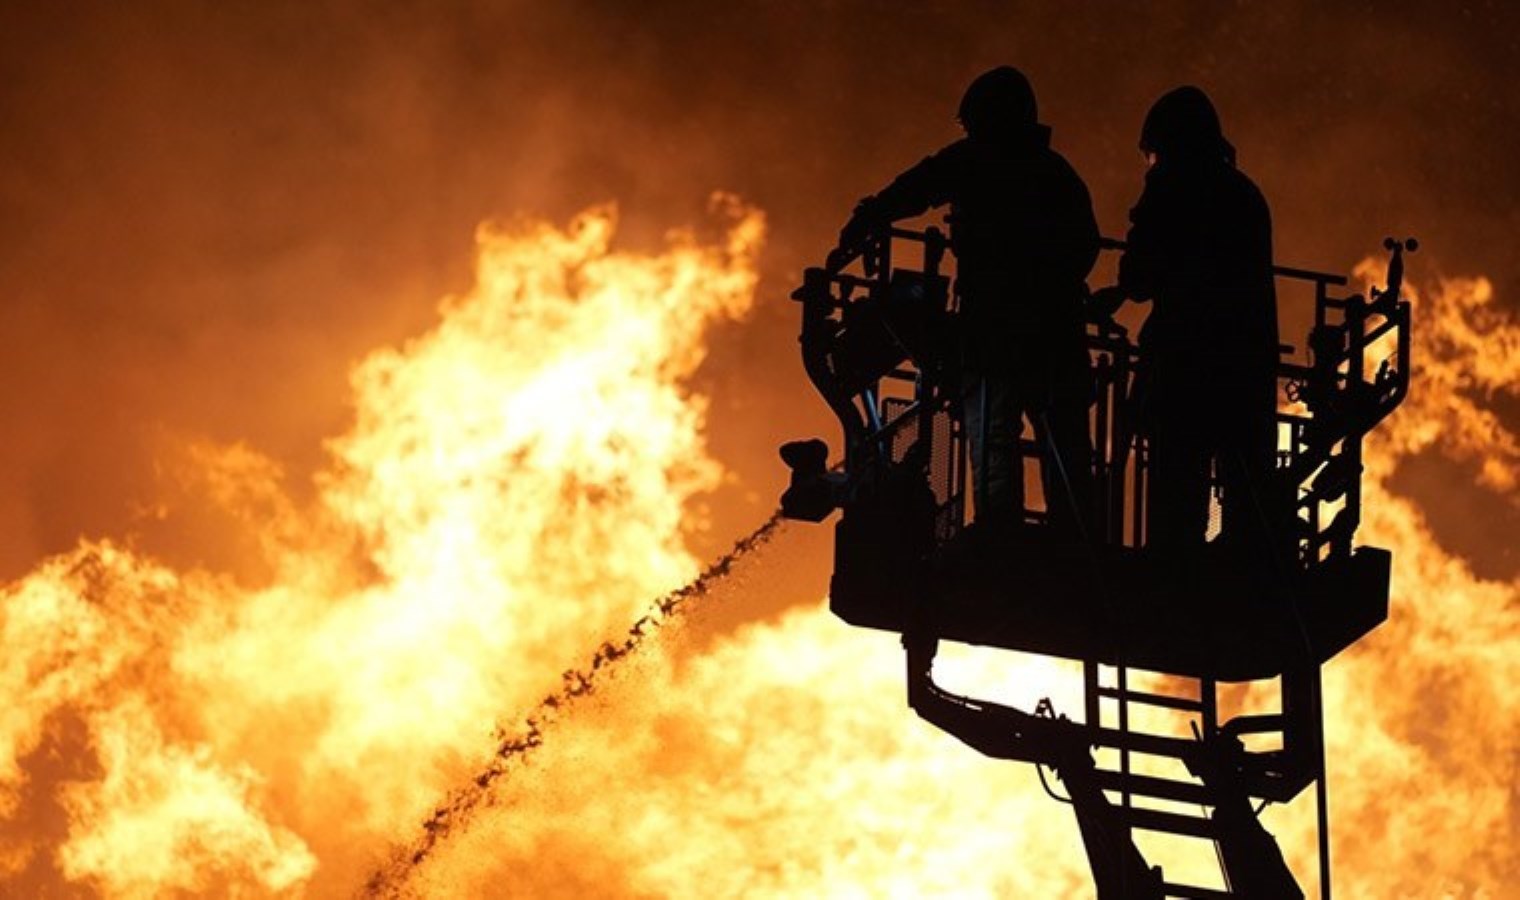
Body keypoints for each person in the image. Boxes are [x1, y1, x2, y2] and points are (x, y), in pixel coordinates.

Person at [836, 66, 1099, 534]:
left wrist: (870, 215)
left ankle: (1000, 534)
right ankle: (1076, 536)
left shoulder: (980, 160)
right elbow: (1084, 248)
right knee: (1064, 440)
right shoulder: (1058, 175)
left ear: (989, 120)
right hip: (1056, 334)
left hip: (996, 331)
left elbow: (921, 184)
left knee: (992, 432)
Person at [1090, 86, 1284, 562]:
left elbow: (1139, 275)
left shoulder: (1172, 185)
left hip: (1185, 368)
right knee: (1244, 483)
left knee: (1178, 486)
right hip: (1245, 368)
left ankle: (1175, 572)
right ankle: (1244, 567)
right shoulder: (1245, 195)